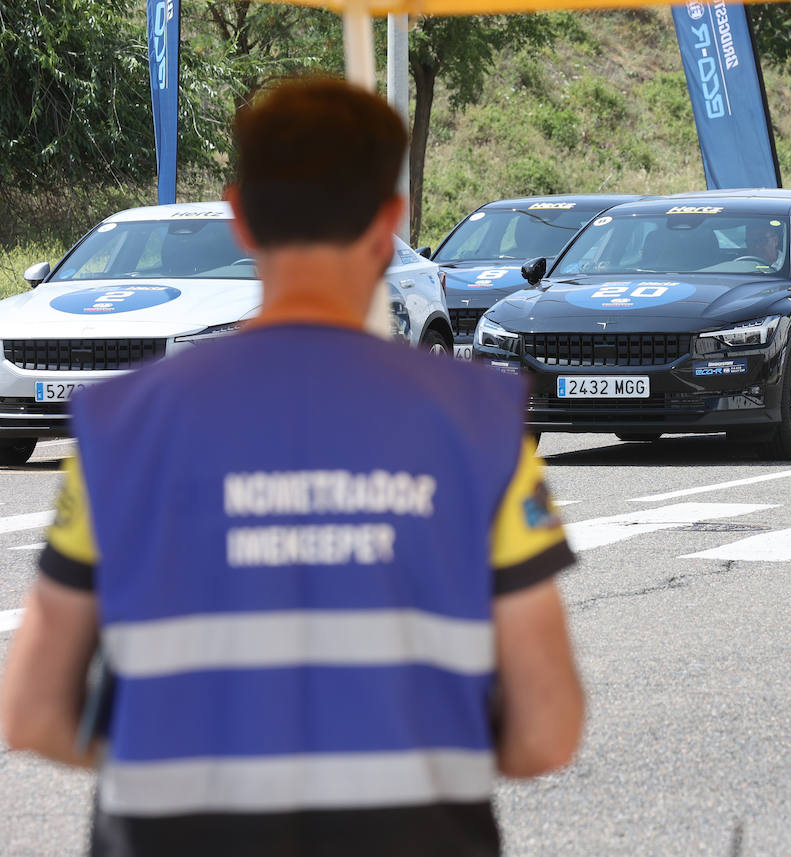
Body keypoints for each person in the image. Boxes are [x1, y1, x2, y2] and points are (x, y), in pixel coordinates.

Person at [0, 78, 584, 857]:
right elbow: (546, 732)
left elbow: (35, 710)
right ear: (389, 222)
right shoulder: (476, 421)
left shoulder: (118, 424)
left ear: (240, 216)